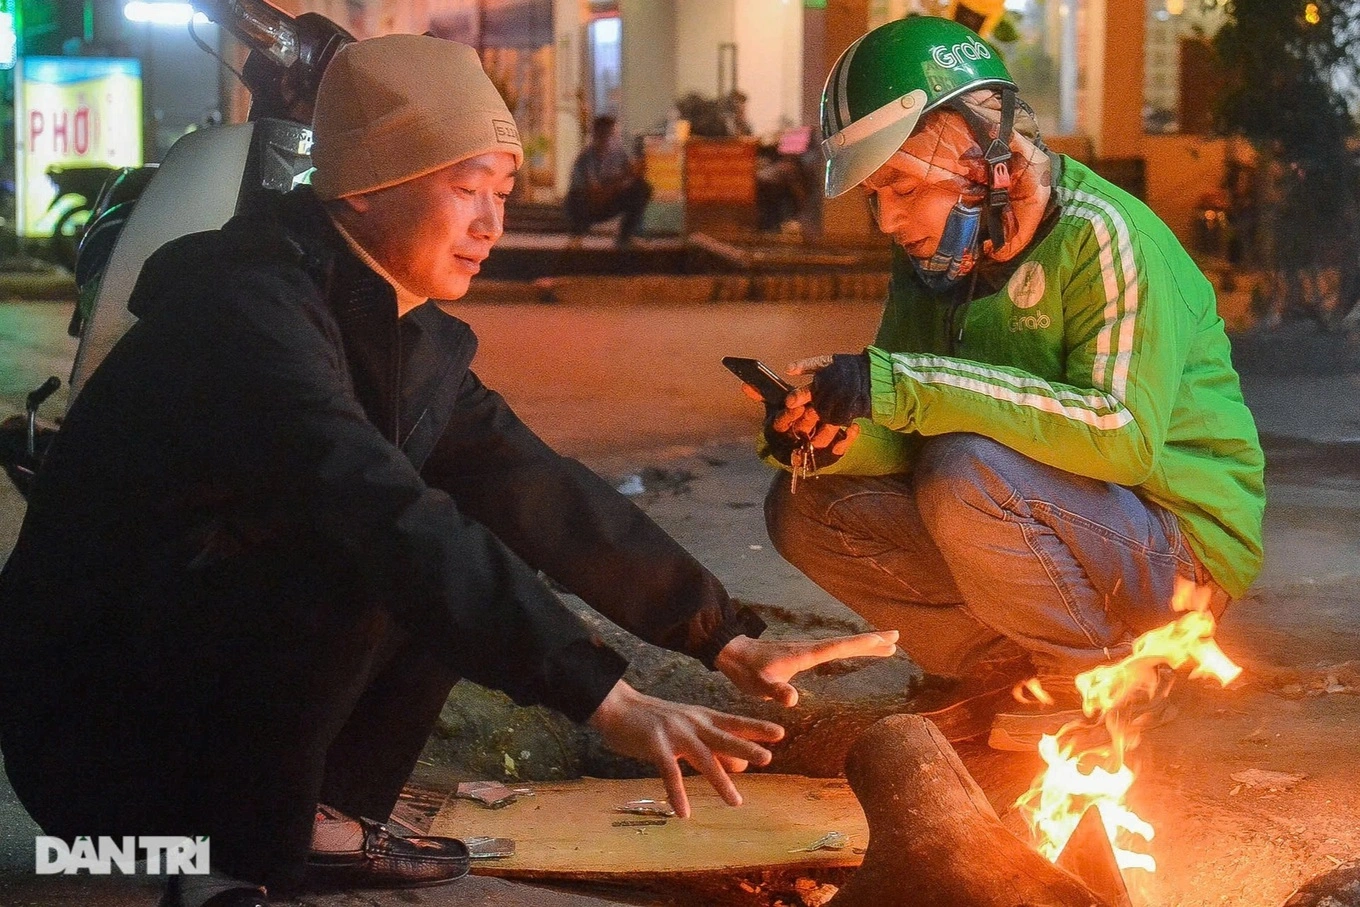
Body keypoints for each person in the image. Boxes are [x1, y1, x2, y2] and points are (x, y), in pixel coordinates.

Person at [0, 35, 896, 907]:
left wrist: (722, 634)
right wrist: (607, 700)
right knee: (396, 540)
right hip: (93, 741)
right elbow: (380, 511)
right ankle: (232, 848)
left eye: (503, 192)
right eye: (466, 190)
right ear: (363, 190)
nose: (491, 224)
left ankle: (311, 820)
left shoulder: (391, 325)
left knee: (461, 528)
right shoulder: (246, 307)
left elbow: (532, 483)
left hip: (179, 688)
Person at [746, 16, 1265, 748]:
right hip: (1041, 515)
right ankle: (1004, 669)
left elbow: (1123, 440)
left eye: (899, 184)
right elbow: (907, 422)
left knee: (963, 471)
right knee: (803, 505)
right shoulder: (938, 251)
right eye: (873, 194)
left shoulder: (1104, 236)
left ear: (977, 158)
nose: (888, 218)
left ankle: (1104, 674)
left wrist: (898, 384)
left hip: (1173, 547)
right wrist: (832, 437)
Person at [565, 114, 653, 247]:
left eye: (612, 135)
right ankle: (577, 235)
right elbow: (595, 194)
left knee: (642, 188)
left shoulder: (618, 154)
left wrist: (637, 172)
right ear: (596, 135)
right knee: (577, 198)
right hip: (587, 206)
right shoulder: (586, 158)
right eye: (605, 134)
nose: (609, 139)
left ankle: (626, 236)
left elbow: (630, 177)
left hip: (609, 201)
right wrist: (623, 177)